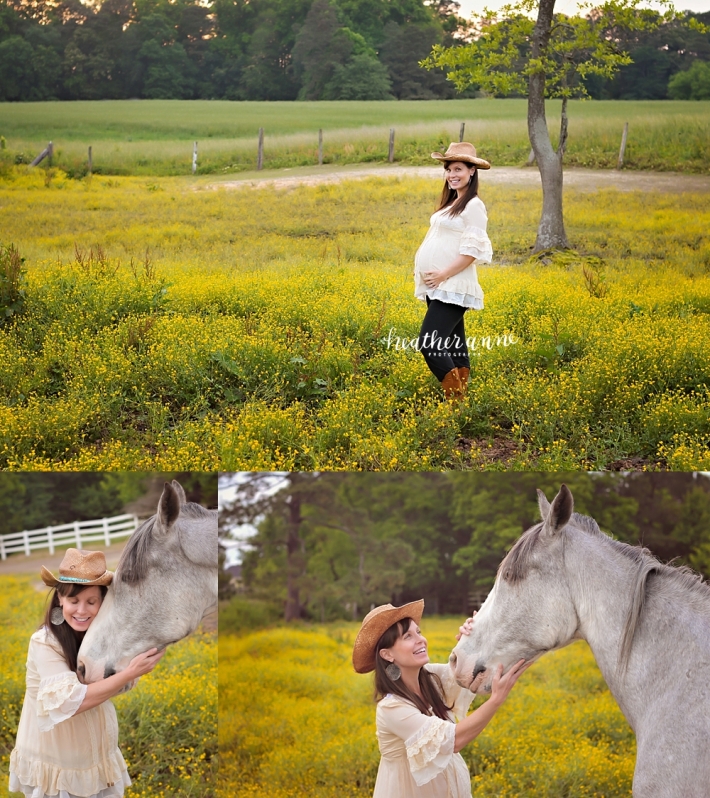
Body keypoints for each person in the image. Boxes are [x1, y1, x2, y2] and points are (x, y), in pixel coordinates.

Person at [9, 548, 165, 798]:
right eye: (74, 601)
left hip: (95, 752)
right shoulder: (44, 642)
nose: (82, 611)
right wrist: (128, 674)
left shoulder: (96, 640)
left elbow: (119, 685)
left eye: (91, 602)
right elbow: (71, 702)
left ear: (103, 603)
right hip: (60, 758)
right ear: (60, 598)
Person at [352, 600, 528, 798]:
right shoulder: (391, 708)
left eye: (419, 632)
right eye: (408, 636)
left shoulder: (431, 678)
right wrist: (495, 701)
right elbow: (454, 740)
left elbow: (469, 673)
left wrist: (472, 638)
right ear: (387, 654)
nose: (420, 640)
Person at [414, 142, 494, 400]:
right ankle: (460, 402)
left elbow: (472, 252)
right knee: (454, 344)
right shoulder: (453, 203)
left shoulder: (473, 206)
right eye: (448, 169)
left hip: (452, 284)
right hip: (438, 285)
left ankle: (456, 398)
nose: (452, 174)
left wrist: (443, 274)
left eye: (458, 168)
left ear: (472, 171)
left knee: (429, 343)